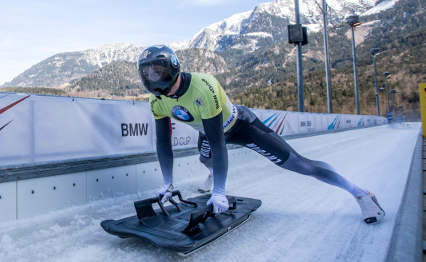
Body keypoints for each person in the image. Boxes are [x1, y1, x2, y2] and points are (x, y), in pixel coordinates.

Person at [137, 45, 385, 224]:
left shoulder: (203, 86)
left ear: (173, 70)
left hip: (241, 126)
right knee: (204, 159)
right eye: (147, 73)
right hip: (208, 130)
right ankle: (213, 175)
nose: (153, 78)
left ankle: (361, 193)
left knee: (300, 165)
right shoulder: (156, 101)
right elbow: (163, 143)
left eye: (157, 72)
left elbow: (218, 141)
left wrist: (220, 192)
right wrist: (167, 184)